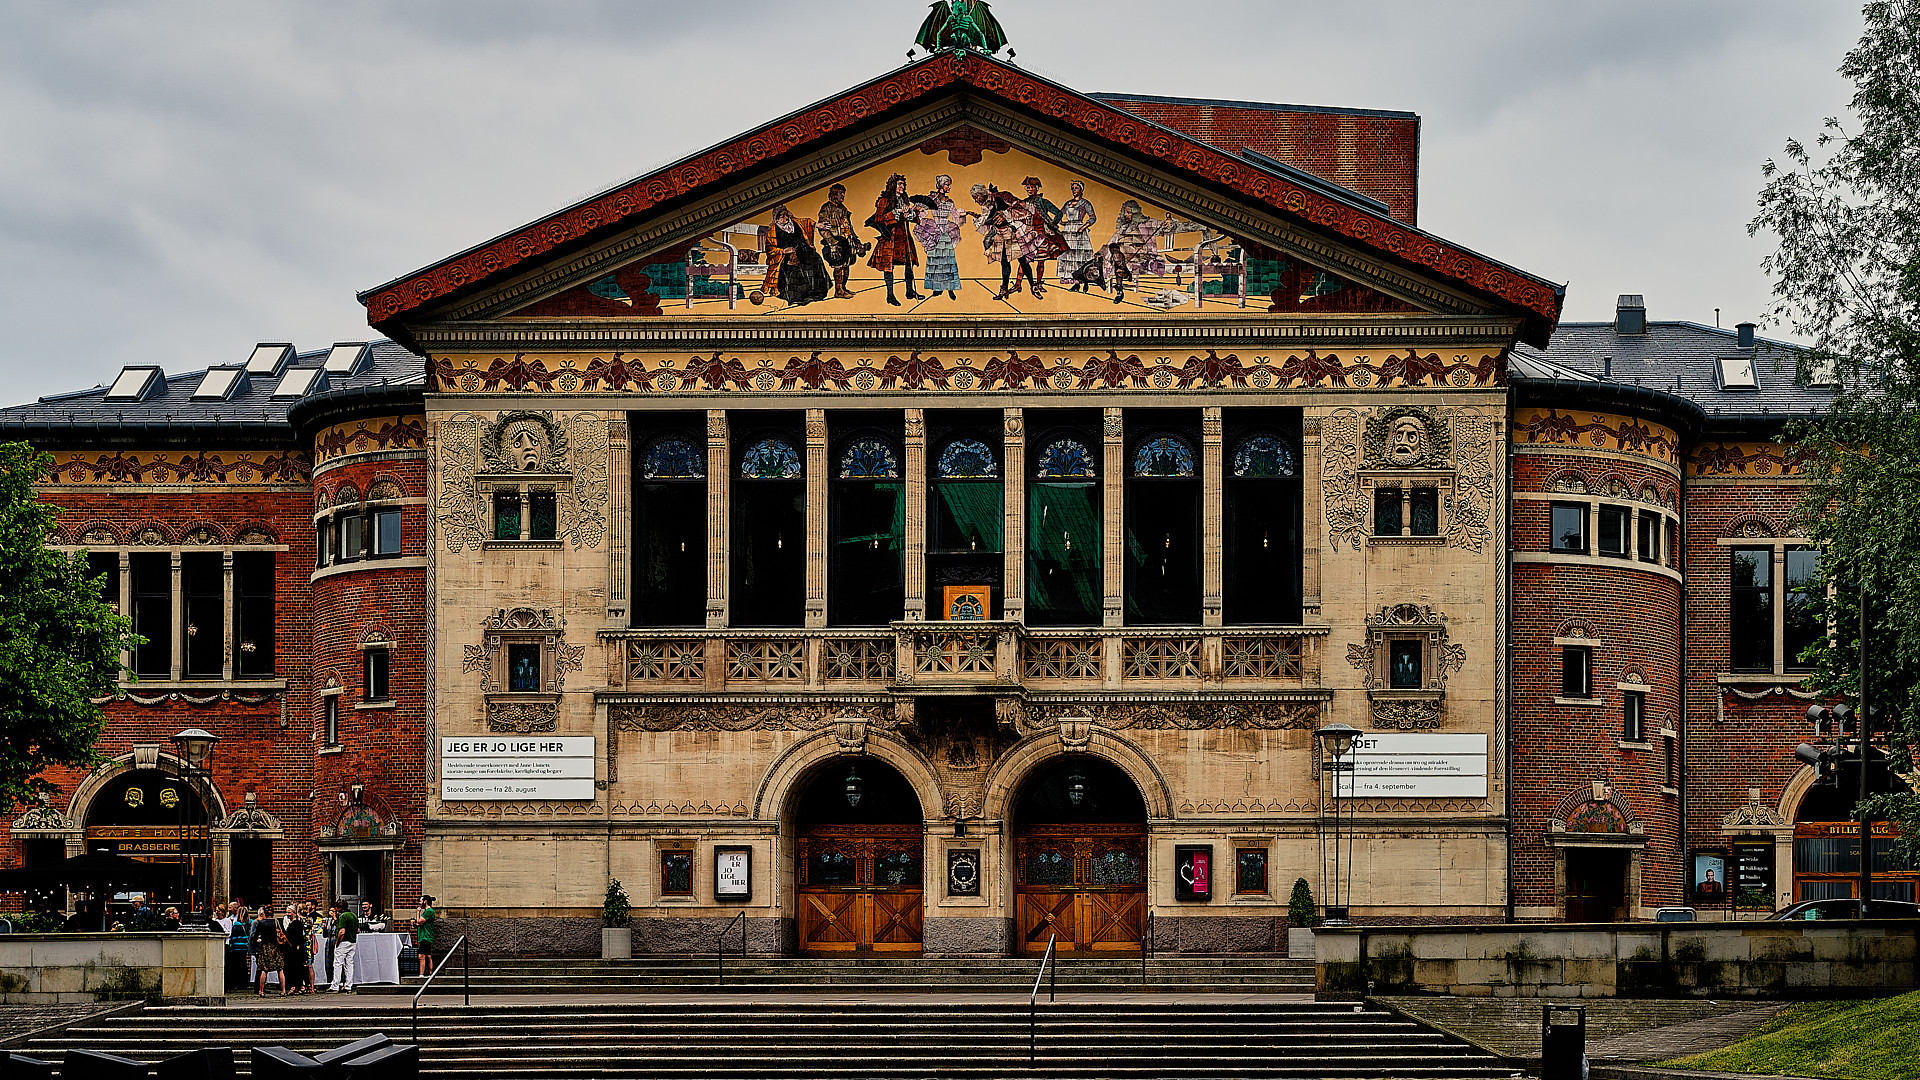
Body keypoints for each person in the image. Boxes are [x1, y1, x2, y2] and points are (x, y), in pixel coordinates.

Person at [865, 174, 921, 306]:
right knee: (888, 266)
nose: (902, 186)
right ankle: (890, 296)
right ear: (893, 185)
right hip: (890, 237)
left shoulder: (904, 200)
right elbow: (879, 219)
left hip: (903, 236)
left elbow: (911, 219)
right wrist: (896, 212)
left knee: (909, 263)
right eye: (899, 184)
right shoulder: (884, 201)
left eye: (903, 184)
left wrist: (911, 213)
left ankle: (909, 291)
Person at [763, 205, 831, 307]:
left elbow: (807, 222)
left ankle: (817, 293)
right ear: (776, 218)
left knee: (815, 260)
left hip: (803, 249)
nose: (785, 218)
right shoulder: (773, 231)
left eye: (786, 215)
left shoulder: (795, 222)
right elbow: (770, 249)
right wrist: (783, 251)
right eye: (782, 217)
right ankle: (799, 297)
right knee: (795, 268)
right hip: (786, 255)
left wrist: (818, 225)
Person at [913, 175, 966, 299]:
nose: (949, 187)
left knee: (948, 262)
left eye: (949, 184)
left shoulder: (950, 202)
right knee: (935, 262)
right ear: (941, 185)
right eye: (947, 184)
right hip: (934, 232)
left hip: (946, 232)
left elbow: (955, 217)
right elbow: (922, 210)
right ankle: (937, 288)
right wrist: (918, 210)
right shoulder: (932, 199)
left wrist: (961, 215)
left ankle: (950, 288)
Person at [815, 183, 868, 300]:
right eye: (841, 193)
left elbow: (848, 226)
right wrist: (832, 244)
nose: (843, 196)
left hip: (846, 240)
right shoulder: (826, 208)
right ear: (834, 194)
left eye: (844, 193)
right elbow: (823, 229)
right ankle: (838, 290)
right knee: (839, 266)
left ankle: (843, 288)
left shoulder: (843, 209)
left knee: (846, 265)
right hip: (834, 242)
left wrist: (855, 239)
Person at [1056, 181, 1098, 288]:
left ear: (1081, 189)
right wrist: (1062, 223)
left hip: (1079, 230)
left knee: (1078, 254)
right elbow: (1060, 214)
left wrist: (1083, 227)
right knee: (1066, 253)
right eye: (1073, 188)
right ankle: (1066, 276)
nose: (1074, 190)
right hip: (1068, 230)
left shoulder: (1085, 203)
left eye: (1076, 188)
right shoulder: (1068, 203)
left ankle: (1078, 277)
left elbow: (1093, 218)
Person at [328, 902, 359, 993]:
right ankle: (348, 985)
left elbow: (342, 931)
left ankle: (335, 985)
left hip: (343, 942)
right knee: (349, 964)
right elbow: (357, 930)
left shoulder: (343, 916)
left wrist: (337, 942)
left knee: (338, 963)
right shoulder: (353, 915)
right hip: (352, 941)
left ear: (339, 908)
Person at [252, 906, 283, 996]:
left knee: (263, 970)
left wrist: (257, 941)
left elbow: (256, 935)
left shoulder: (261, 923)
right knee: (280, 969)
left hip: (265, 947)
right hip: (276, 947)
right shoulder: (276, 922)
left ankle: (261, 991)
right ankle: (283, 990)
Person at [281, 904, 310, 995]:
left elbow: (299, 937)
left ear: (294, 913)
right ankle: (296, 986)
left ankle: (298, 986)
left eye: (289, 912)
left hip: (295, 950)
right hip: (290, 949)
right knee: (292, 969)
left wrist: (297, 946)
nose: (287, 914)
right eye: (286, 912)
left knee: (296, 969)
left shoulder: (297, 923)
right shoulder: (291, 923)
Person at [416, 895, 437, 977]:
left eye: (421, 901)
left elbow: (419, 921)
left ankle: (422, 974)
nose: (419, 903)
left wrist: (418, 912)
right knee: (428, 955)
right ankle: (430, 974)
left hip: (425, 936)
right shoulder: (428, 911)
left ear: (425, 901)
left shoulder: (429, 911)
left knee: (421, 956)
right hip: (425, 936)